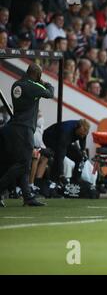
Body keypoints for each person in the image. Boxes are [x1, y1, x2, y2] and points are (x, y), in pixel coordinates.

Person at [0, 63, 53, 207]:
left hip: (12, 128)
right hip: (24, 129)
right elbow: (50, 93)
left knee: (22, 163)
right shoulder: (33, 85)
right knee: (24, 164)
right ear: (37, 75)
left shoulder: (16, 84)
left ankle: (28, 197)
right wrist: (46, 84)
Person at [43, 119, 90, 187]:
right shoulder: (66, 131)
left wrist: (83, 150)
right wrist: (61, 174)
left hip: (65, 140)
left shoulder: (83, 130)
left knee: (80, 157)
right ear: (76, 128)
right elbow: (60, 155)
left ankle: (76, 180)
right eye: (80, 134)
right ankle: (55, 180)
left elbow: (82, 140)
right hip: (50, 138)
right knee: (58, 155)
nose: (81, 136)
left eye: (84, 135)